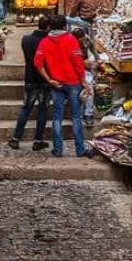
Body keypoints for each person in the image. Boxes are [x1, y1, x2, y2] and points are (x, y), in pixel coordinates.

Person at [34, 15, 94, 158]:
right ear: (64, 26)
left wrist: (49, 79)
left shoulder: (44, 42)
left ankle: (58, 149)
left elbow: (38, 63)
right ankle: (80, 150)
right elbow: (78, 63)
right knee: (76, 117)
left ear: (50, 26)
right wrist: (84, 82)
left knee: (57, 117)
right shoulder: (71, 40)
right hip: (73, 83)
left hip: (56, 84)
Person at [8, 16, 51, 151]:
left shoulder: (26, 40)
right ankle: (38, 140)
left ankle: (16, 138)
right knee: (42, 110)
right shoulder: (49, 42)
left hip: (30, 78)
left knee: (26, 109)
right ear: (48, 27)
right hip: (45, 80)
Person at [71, 27, 96, 127]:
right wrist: (82, 63)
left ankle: (88, 113)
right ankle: (78, 114)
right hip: (72, 69)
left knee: (89, 84)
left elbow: (93, 49)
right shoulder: (69, 43)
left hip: (84, 70)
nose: (81, 41)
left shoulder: (86, 40)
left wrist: (96, 60)